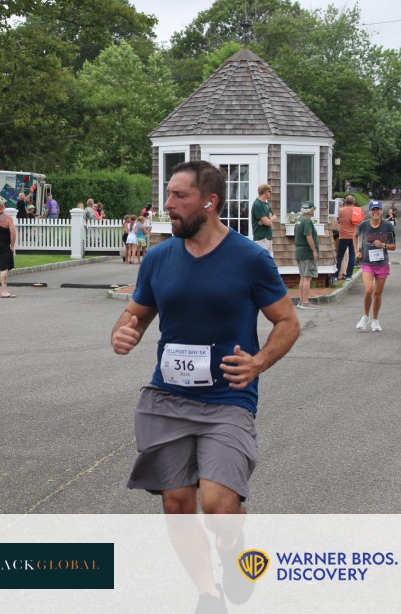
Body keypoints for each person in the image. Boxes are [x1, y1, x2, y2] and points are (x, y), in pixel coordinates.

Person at [110, 160, 299, 611]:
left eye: (180, 196)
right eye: (168, 194)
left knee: (217, 506)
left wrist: (258, 362)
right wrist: (122, 332)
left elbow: (288, 322)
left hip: (226, 399)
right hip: (167, 397)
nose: (168, 204)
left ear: (210, 202)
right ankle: (207, 594)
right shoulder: (158, 258)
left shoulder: (249, 258)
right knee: (176, 504)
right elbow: (135, 314)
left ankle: (232, 550)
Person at [355, 201, 395, 332]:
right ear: (370, 211)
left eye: (378, 209)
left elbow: (393, 246)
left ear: (381, 211)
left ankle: (375, 320)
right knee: (368, 290)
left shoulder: (388, 226)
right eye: (373, 210)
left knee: (377, 294)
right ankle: (366, 316)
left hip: (382, 263)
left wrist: (383, 245)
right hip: (367, 261)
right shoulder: (364, 225)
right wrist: (356, 251)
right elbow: (354, 235)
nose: (375, 212)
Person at [294, 201, 319, 309]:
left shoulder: (299, 220)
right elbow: (308, 236)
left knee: (303, 277)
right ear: (310, 210)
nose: (314, 211)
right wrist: (314, 251)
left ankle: (301, 301)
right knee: (307, 277)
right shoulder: (307, 221)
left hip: (299, 251)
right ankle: (305, 302)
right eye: (313, 209)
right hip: (306, 252)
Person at [336, 195, 362, 281]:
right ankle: (349, 276)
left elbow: (337, 220)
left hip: (343, 236)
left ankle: (335, 275)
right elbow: (360, 221)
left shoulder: (340, 211)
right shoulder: (358, 210)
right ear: (354, 202)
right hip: (354, 236)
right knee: (352, 255)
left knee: (339, 256)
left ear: (345, 202)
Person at [251, 184, 274, 252]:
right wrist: (267, 220)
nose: (271, 194)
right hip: (261, 239)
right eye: (270, 192)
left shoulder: (266, 204)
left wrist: (268, 219)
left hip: (268, 238)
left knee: (269, 258)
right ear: (266, 192)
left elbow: (274, 217)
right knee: (262, 258)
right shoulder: (257, 204)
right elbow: (267, 223)